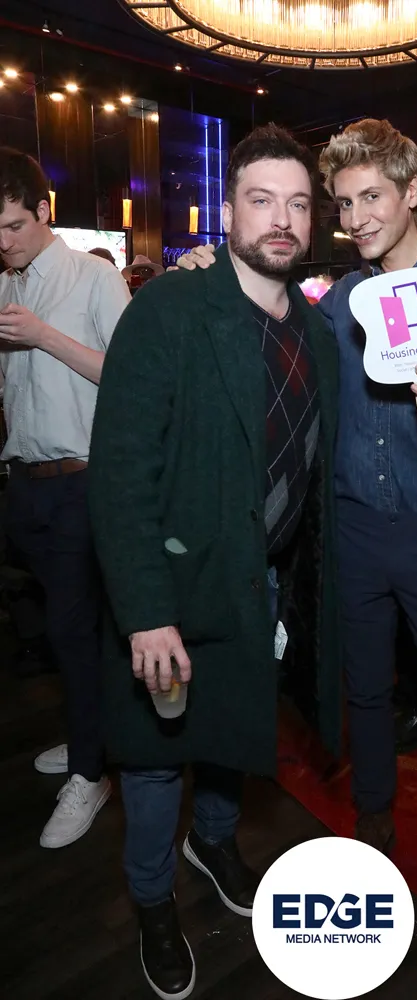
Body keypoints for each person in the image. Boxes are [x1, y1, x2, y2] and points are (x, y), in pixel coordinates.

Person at [180, 118, 417, 974]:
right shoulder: (339, 304)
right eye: (342, 204)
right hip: (349, 532)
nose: (355, 218)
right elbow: (269, 345)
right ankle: (374, 828)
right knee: (365, 696)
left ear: (413, 192)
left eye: (370, 197)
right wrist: (208, 278)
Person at [87, 125, 342, 1000]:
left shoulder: (315, 328)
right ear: (228, 210)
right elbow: (121, 470)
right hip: (173, 584)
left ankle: (216, 839)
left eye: (297, 203)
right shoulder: (170, 308)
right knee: (158, 756)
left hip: (259, 579)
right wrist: (145, 611)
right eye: (262, 200)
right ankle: (152, 898)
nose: (281, 220)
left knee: (235, 727)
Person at [0, 147, 130, 845]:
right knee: (63, 629)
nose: (4, 242)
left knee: (73, 629)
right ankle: (91, 735)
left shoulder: (93, 278)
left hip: (83, 482)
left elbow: (130, 377)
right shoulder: (4, 285)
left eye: (14, 226)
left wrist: (44, 336)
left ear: (44, 211)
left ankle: (91, 771)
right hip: (25, 483)